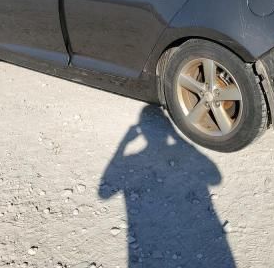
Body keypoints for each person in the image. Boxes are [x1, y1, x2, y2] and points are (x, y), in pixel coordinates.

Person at [99, 105, 235, 267]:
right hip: (209, 242)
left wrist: (124, 143)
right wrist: (176, 135)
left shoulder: (133, 160)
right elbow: (215, 177)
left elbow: (104, 192)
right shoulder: (178, 150)